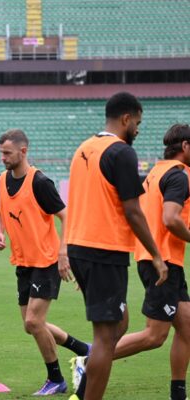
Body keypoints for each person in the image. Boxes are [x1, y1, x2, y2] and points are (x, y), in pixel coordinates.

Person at [71, 124, 190, 400]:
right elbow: (170, 218)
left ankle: (178, 394)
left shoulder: (157, 171)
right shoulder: (179, 176)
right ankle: (89, 361)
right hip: (163, 262)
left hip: (159, 258)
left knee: (186, 326)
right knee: (154, 335)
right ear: (185, 147)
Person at [0, 129, 91, 396]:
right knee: (31, 324)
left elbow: (66, 215)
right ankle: (84, 350)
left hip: (46, 260)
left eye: (7, 153)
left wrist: (63, 253)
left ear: (23, 152)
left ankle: (56, 379)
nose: (2, 158)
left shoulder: (40, 182)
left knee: (34, 322)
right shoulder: (0, 180)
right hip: (23, 261)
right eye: (1, 152)